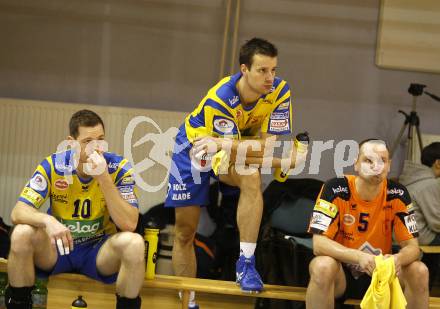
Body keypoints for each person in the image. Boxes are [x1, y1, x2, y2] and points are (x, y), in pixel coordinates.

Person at [165, 37, 300, 306]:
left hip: (224, 144)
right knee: (184, 231)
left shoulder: (280, 92)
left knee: (250, 177)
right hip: (193, 148)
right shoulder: (222, 98)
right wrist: (284, 161)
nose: (270, 77)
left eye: (273, 70)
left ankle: (246, 263)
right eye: (262, 70)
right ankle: (188, 302)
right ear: (244, 69)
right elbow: (246, 152)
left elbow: (263, 150)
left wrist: (227, 143)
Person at [6, 110, 145, 309]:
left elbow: (129, 224)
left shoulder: (119, 168)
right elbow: (17, 212)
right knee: (21, 233)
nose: (95, 149)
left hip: (98, 251)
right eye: (87, 142)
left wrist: (103, 177)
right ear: (71, 143)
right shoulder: (53, 165)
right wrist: (48, 221)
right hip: (58, 248)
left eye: (100, 140)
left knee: (135, 243)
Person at [306, 139, 429, 309]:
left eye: (382, 161)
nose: (376, 167)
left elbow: (413, 247)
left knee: (419, 270)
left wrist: (397, 259)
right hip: (342, 274)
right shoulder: (334, 188)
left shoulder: (398, 193)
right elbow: (319, 245)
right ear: (356, 164)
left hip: (382, 275)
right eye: (368, 160)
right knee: (322, 266)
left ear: (389, 166)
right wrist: (359, 257)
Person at [399, 142, 440, 245]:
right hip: (421, 236)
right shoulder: (429, 184)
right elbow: (436, 223)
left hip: (406, 234)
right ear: (438, 163)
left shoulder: (412, 178)